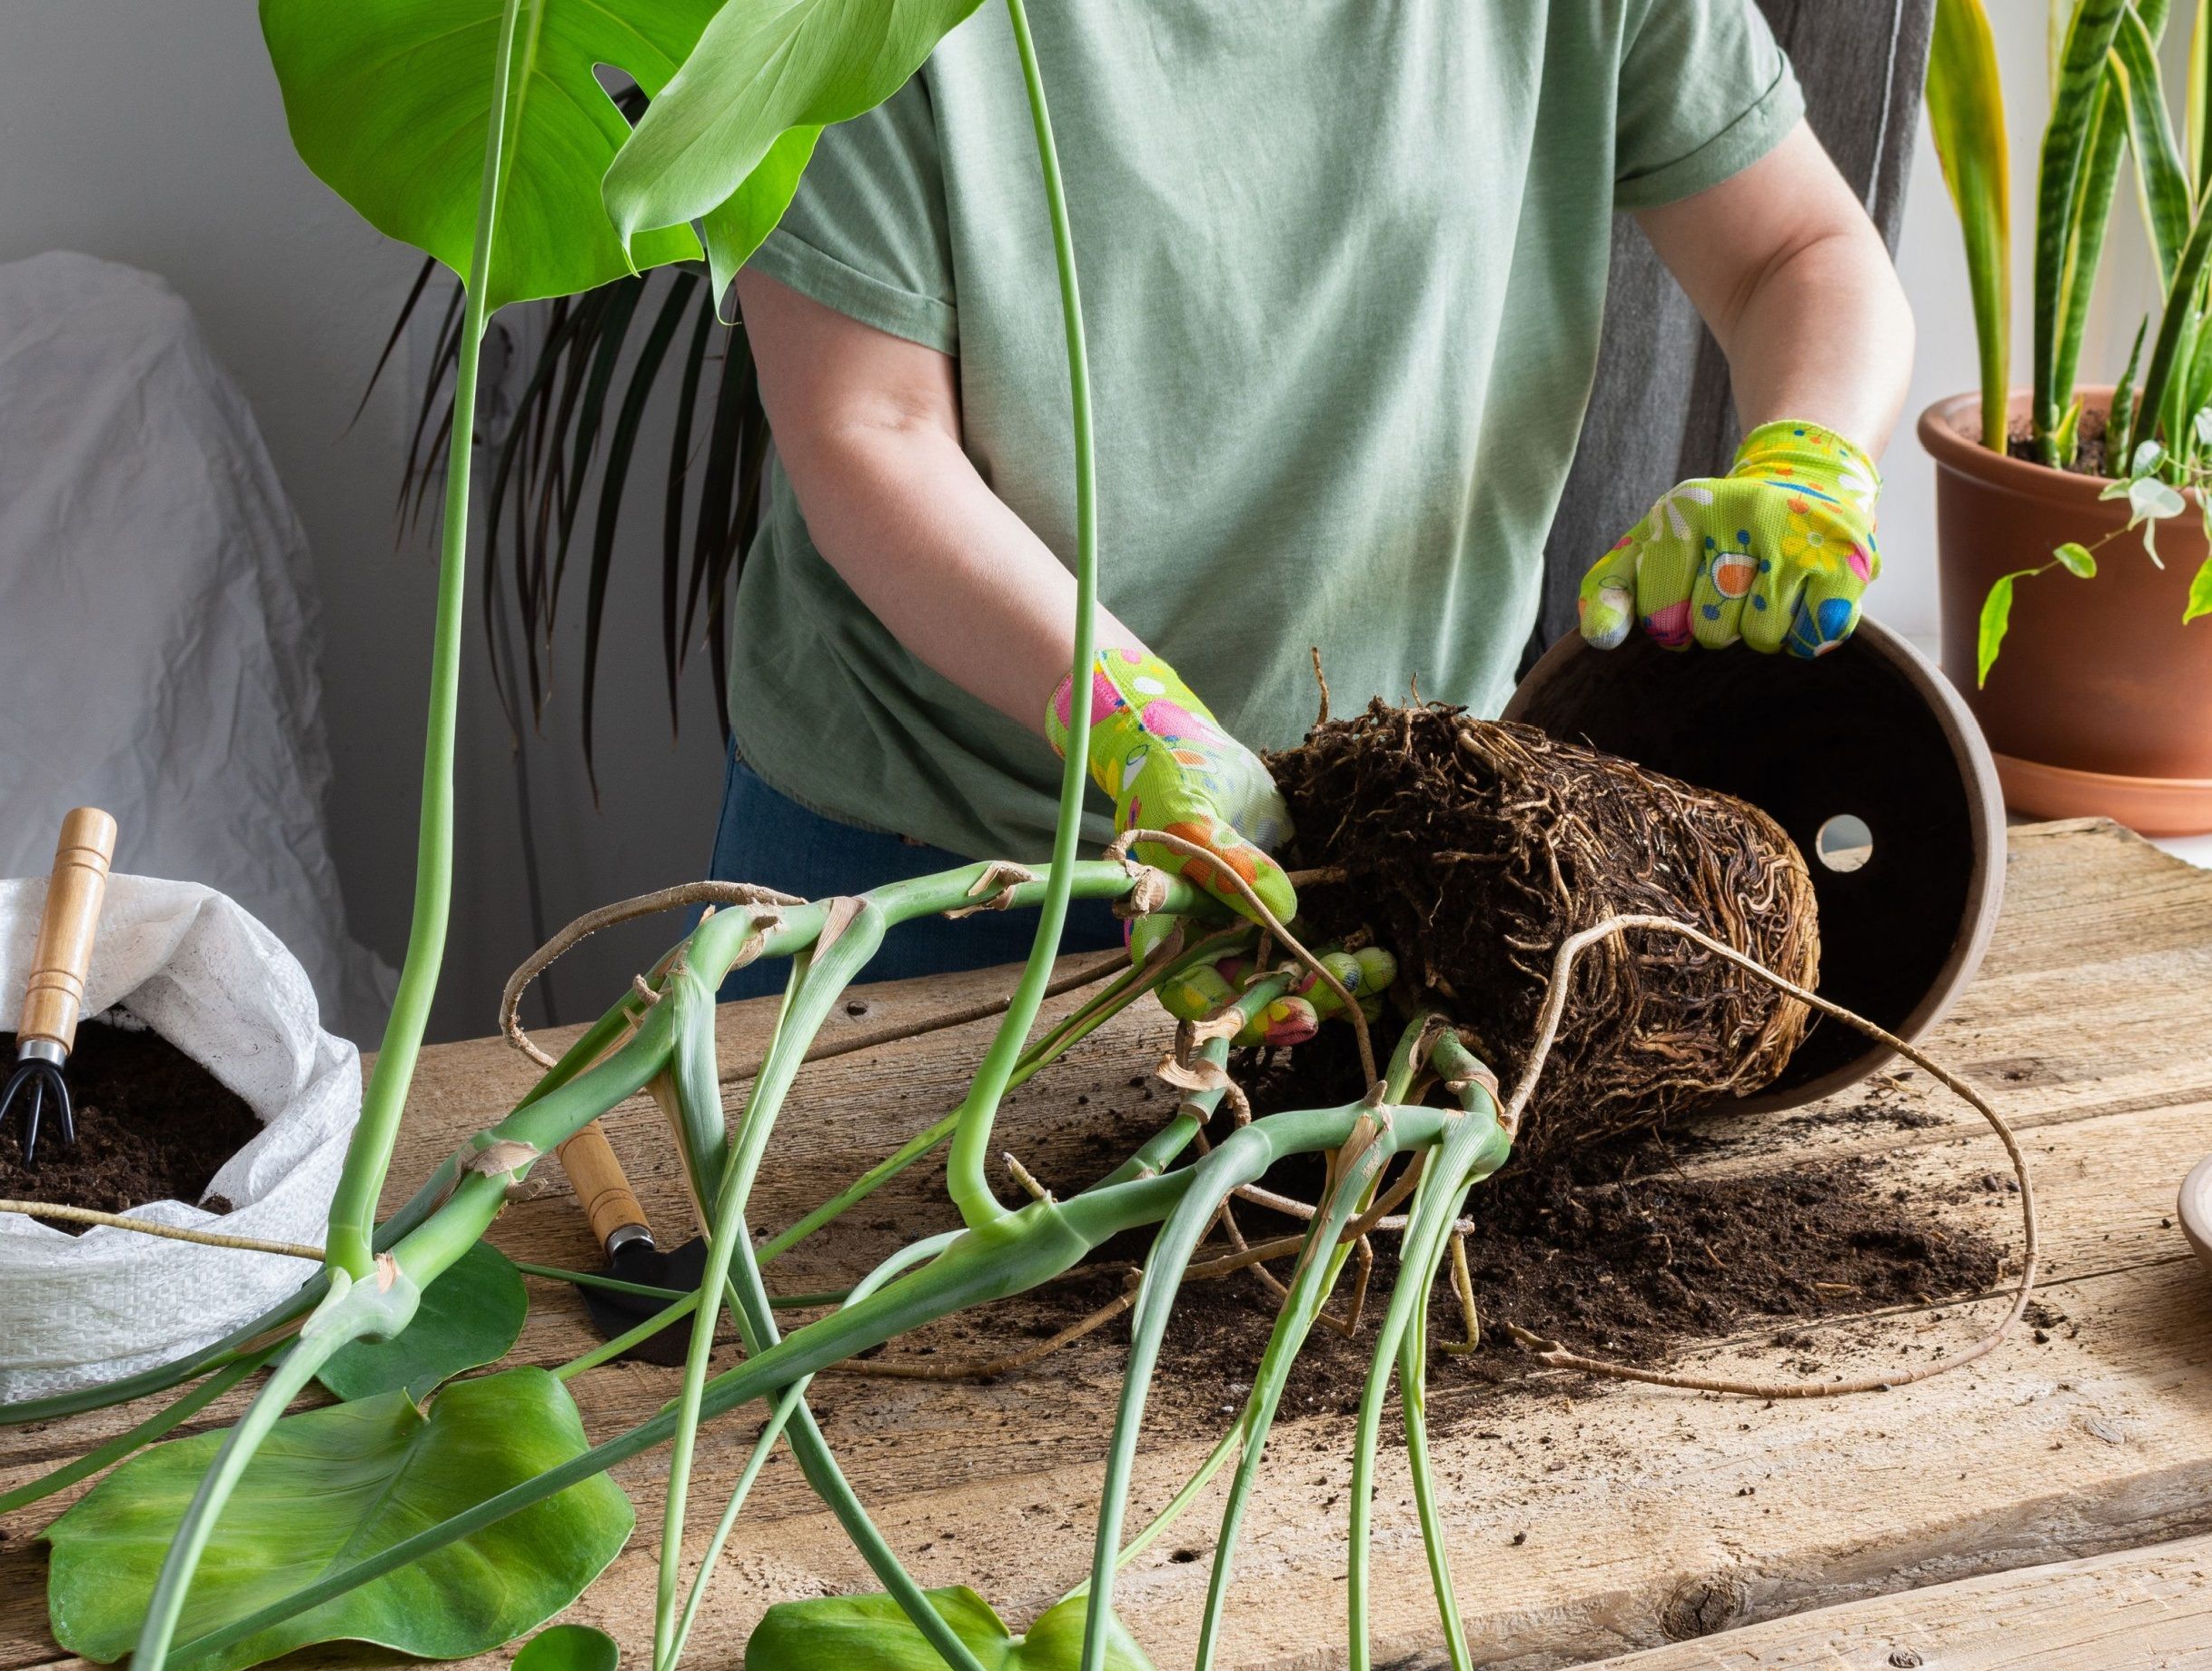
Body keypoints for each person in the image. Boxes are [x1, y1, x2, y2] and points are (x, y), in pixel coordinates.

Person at [709, 2, 1912, 1032]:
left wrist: (1810, 459)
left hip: (1398, 850)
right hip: (944, 848)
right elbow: (872, 431)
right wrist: (1139, 729)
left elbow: (1795, 251)